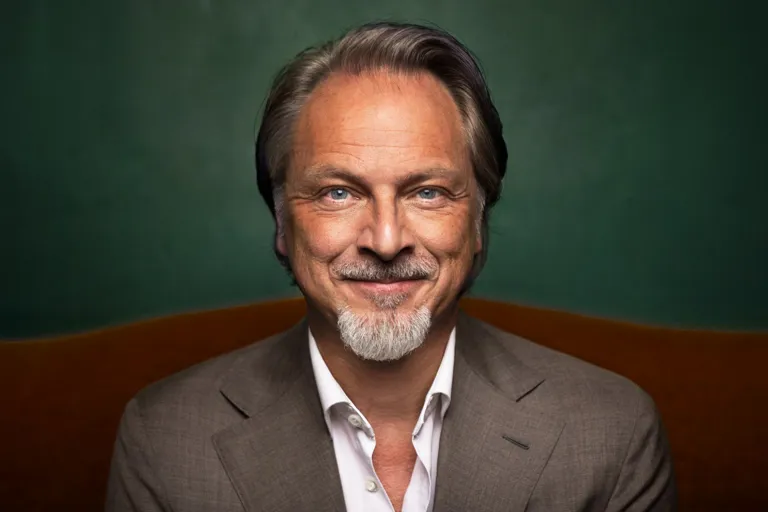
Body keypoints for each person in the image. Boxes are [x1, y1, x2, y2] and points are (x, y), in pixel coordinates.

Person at [106, 21, 676, 512]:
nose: (385, 240)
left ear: (477, 221)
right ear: (282, 223)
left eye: (427, 193)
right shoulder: (166, 438)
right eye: (337, 193)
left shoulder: (611, 434)